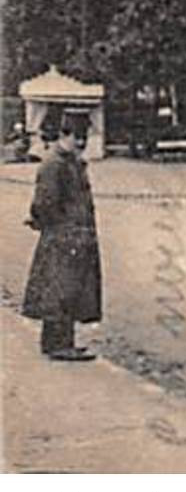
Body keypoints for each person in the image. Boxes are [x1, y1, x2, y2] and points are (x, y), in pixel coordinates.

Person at [21, 113, 102, 361]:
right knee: (59, 291)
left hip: (74, 236)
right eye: (78, 138)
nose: (81, 144)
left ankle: (60, 342)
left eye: (84, 139)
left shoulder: (71, 162)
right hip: (62, 237)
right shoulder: (54, 164)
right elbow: (45, 203)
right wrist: (52, 225)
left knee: (69, 289)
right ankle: (57, 345)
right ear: (64, 135)